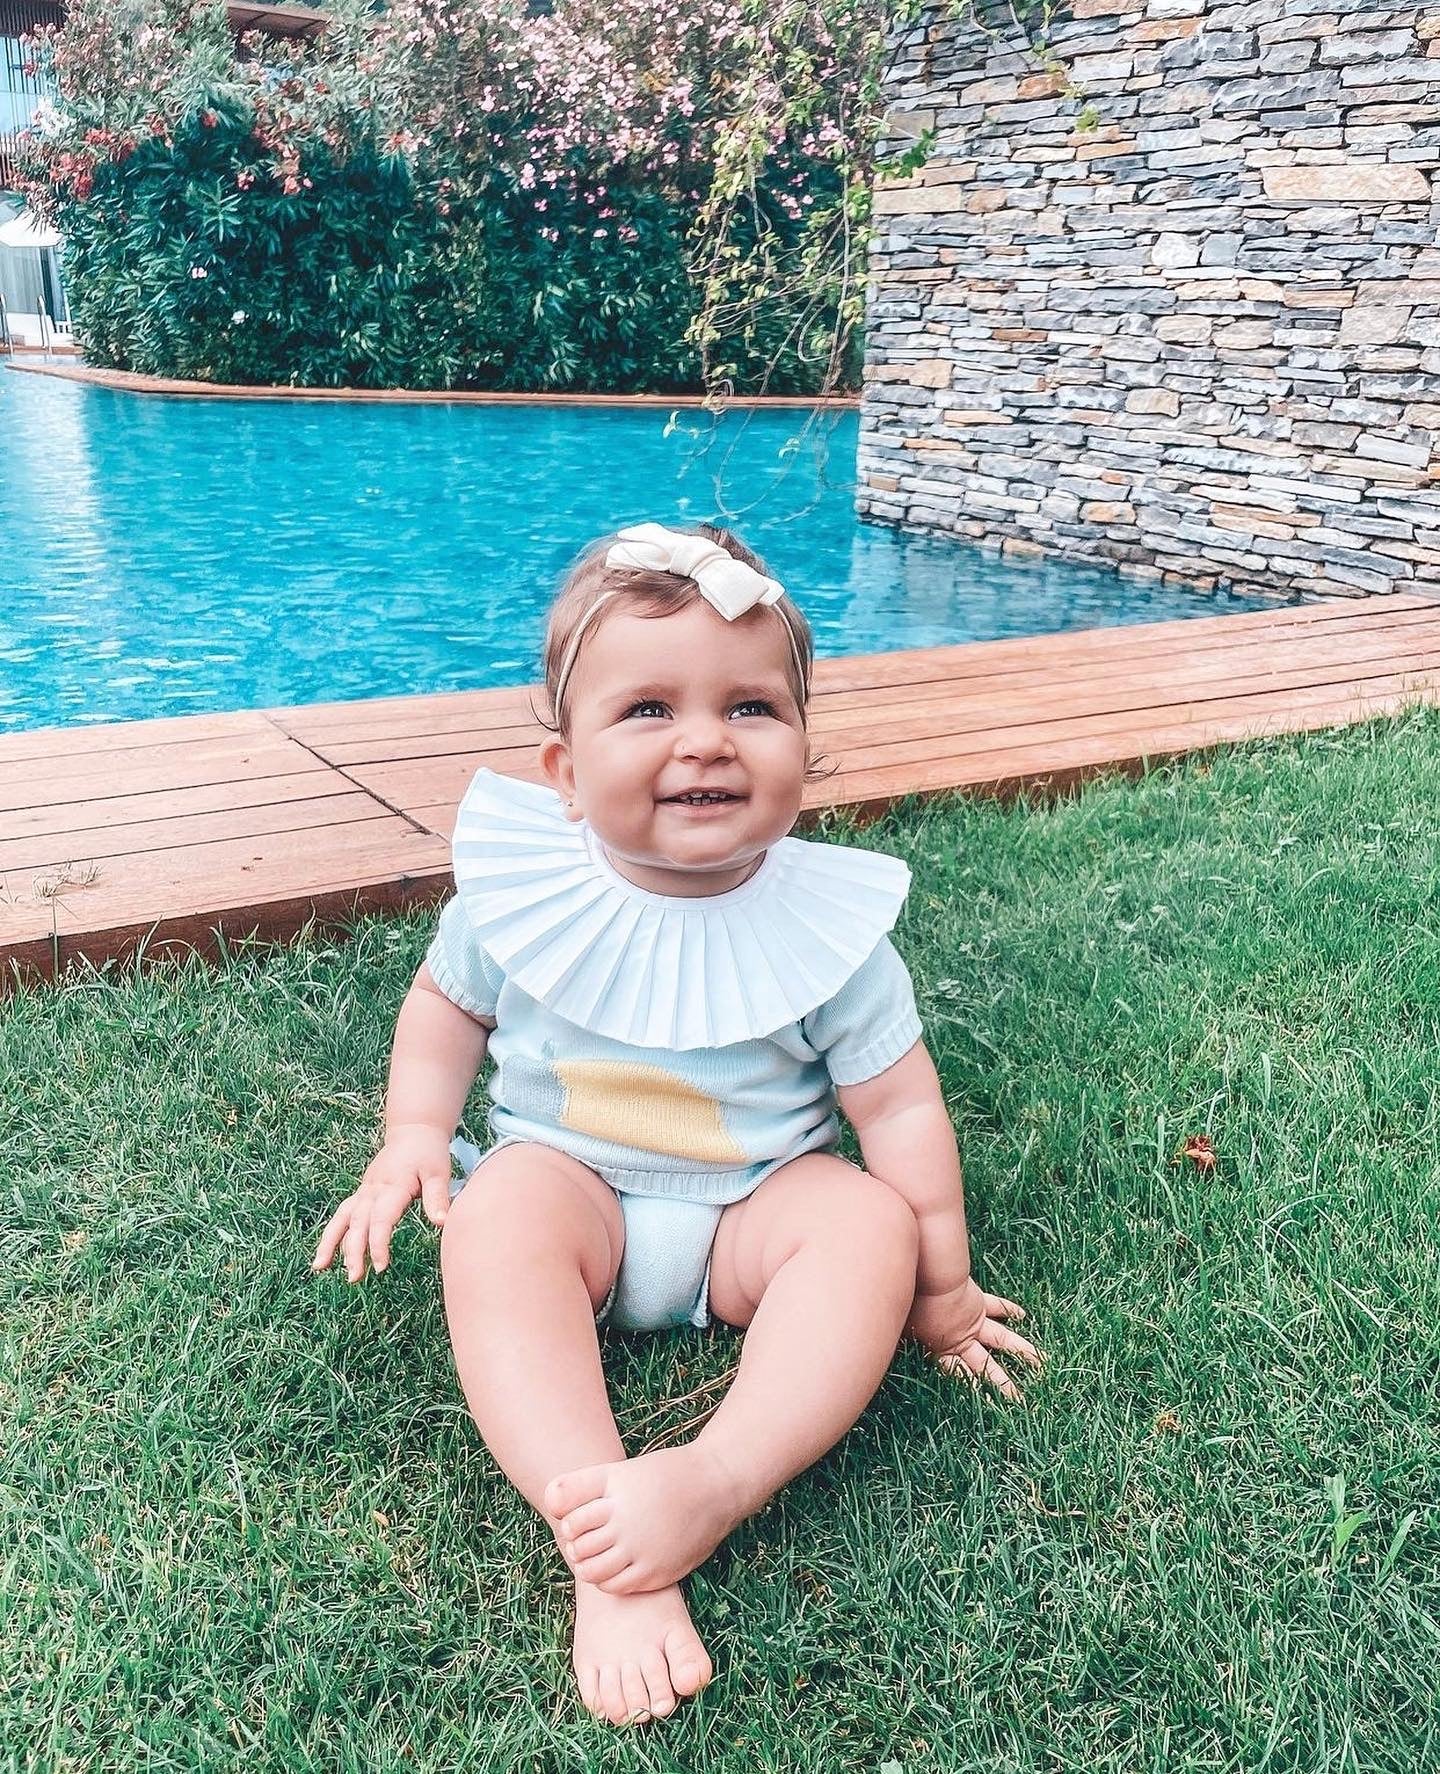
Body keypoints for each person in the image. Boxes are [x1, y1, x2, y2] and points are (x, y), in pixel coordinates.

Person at [312, 521, 1040, 1727]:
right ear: (563, 770)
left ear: (805, 739)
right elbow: (445, 1009)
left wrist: (944, 1287)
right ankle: (606, 1545)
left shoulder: (830, 937)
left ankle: (715, 1477)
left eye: (752, 707)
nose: (705, 739)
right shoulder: (520, 898)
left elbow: (901, 1106)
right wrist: (413, 1133)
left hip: (754, 1215)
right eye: (649, 708)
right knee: (498, 1220)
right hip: (573, 1188)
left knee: (864, 1225)